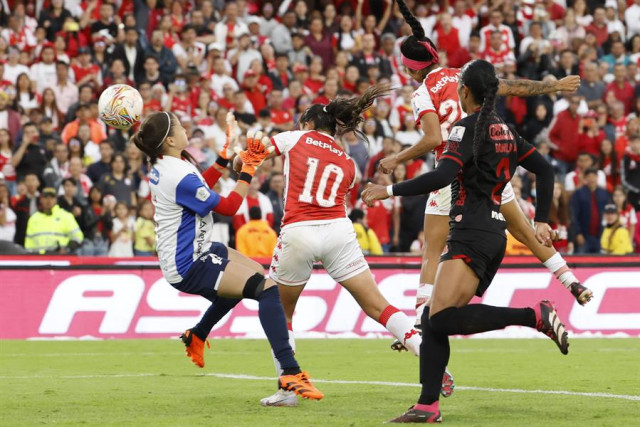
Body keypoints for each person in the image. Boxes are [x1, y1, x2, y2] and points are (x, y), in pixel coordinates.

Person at [362, 59, 568, 423]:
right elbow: (545, 169)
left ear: (466, 92)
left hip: (471, 233)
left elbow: (442, 175)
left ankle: (534, 315)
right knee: (433, 319)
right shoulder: (504, 129)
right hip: (491, 233)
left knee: (439, 320)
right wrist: (543, 219)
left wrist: (389, 190)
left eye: (459, 88)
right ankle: (427, 406)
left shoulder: (464, 129)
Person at [376, 1, 591, 344]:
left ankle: (418, 321)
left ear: (409, 68)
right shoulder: (465, 73)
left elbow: (434, 138)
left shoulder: (421, 93)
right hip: (491, 163)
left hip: (455, 169)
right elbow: (512, 86)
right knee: (521, 228)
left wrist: (395, 159)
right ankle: (569, 280)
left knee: (432, 249)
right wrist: (553, 86)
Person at [131, 110, 323, 401]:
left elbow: (199, 189)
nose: (187, 129)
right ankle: (290, 372)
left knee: (256, 279)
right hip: (189, 262)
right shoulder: (177, 172)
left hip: (198, 248)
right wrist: (248, 169)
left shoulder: (168, 164)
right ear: (169, 140)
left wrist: (222, 160)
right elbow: (230, 206)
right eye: (181, 127)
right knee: (268, 291)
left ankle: (198, 333)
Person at [24, 187, 84, 254]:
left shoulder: (66, 216)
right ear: (41, 200)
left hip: (59, 258)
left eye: (52, 198)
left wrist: (67, 249)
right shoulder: (33, 218)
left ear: (56, 200)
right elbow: (29, 243)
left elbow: (78, 237)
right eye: (46, 197)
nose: (49, 200)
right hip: (38, 259)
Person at [570, 168, 611, 253]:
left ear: (597, 178)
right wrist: (578, 233)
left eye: (594, 176)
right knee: (581, 262)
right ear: (585, 178)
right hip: (584, 235)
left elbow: (608, 213)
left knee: (601, 262)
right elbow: (573, 214)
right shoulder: (578, 193)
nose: (592, 179)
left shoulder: (604, 193)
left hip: (600, 235)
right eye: (589, 176)